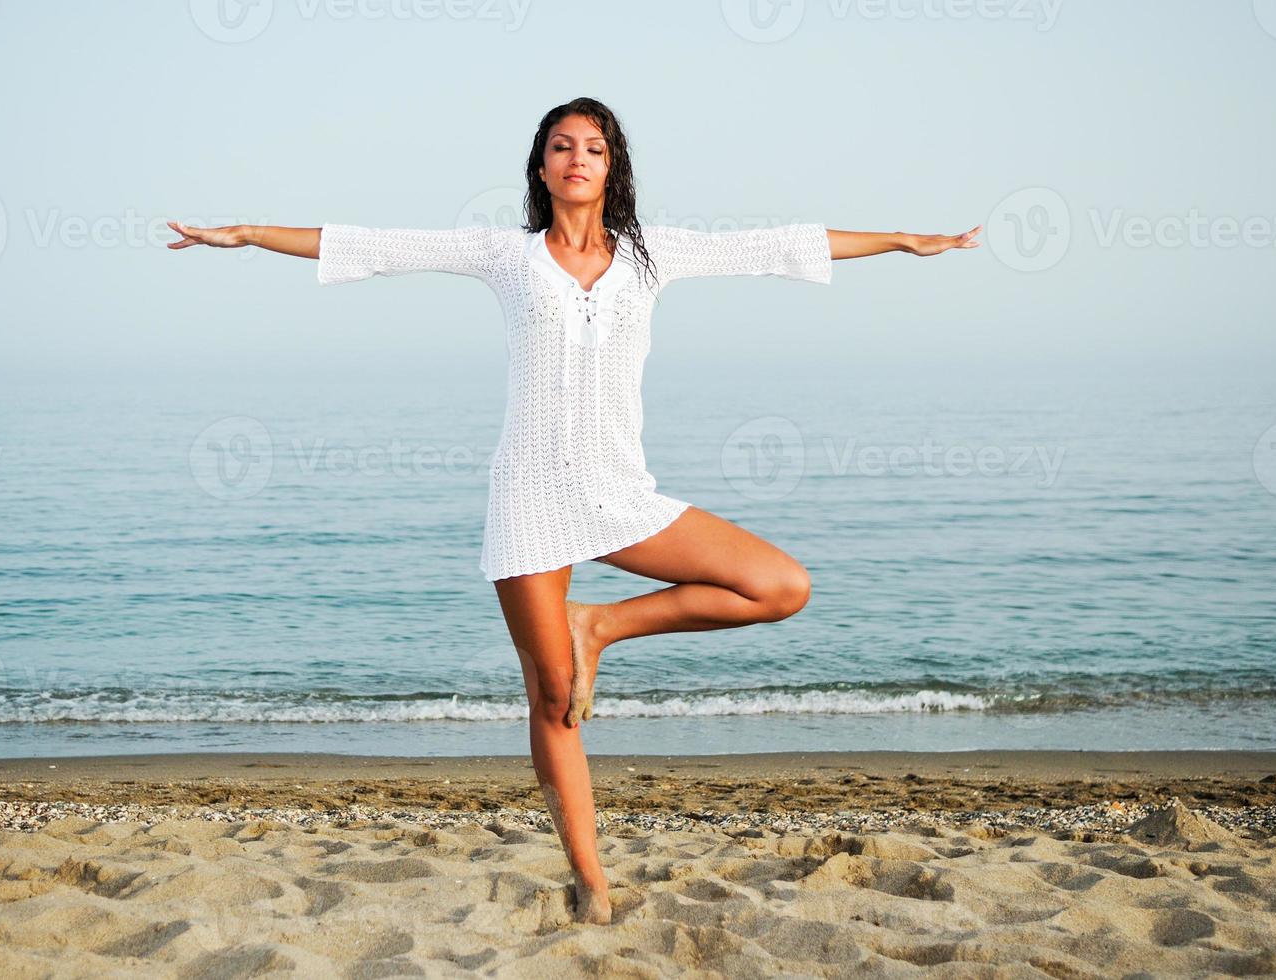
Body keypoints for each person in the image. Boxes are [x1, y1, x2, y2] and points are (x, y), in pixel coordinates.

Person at [167, 96, 981, 925]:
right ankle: (592, 882)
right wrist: (249, 233)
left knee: (780, 586)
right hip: (528, 496)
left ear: (611, 165)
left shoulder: (653, 257)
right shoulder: (508, 256)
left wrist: (903, 241)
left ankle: (601, 627)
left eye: (593, 147)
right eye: (562, 146)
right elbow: (377, 247)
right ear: (543, 167)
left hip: (620, 492)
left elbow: (776, 247)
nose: (577, 158)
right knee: (554, 696)